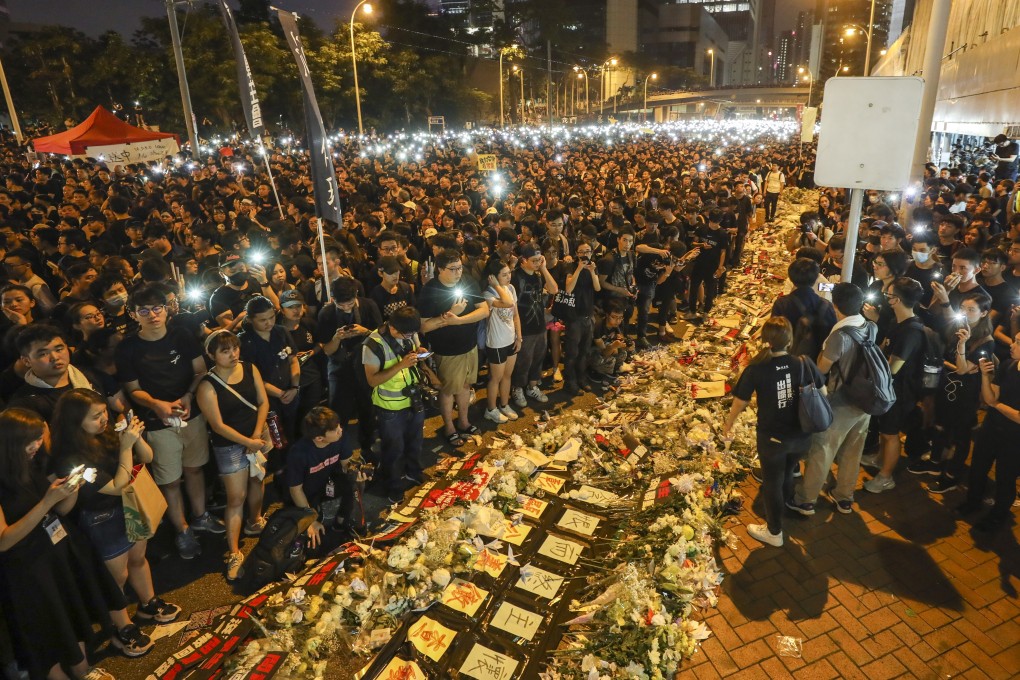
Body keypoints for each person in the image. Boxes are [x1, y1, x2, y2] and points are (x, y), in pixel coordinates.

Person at [0, 408, 148, 679]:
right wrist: (48, 500)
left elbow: (61, 511)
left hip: (56, 549)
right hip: (27, 566)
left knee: (71, 611)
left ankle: (83, 669)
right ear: (10, 443)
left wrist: (70, 491)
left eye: (38, 437)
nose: (36, 445)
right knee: (49, 623)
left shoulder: (30, 465)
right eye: (29, 441)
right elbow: (4, 540)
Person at [50, 389, 181, 629]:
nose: (104, 420)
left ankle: (148, 603)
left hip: (130, 504)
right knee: (116, 577)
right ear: (75, 422)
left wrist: (136, 437)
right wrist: (125, 447)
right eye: (95, 416)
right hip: (101, 516)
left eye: (104, 413)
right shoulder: (69, 457)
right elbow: (117, 486)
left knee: (139, 559)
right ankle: (121, 627)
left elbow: (148, 458)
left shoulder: (106, 433)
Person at [115, 284, 223, 560]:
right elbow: (133, 388)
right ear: (132, 314)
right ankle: (182, 530)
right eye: (144, 310)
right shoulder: (128, 348)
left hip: (191, 414)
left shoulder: (182, 336)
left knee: (195, 469)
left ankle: (200, 516)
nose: (152, 315)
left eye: (157, 308)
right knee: (170, 481)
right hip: (157, 422)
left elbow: (200, 370)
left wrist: (188, 396)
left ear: (167, 309)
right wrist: (157, 405)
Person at [724, 317, 825, 547]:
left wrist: (728, 423)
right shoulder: (803, 362)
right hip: (801, 437)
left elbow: (740, 401)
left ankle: (774, 531)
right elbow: (823, 392)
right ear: (789, 340)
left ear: (765, 341)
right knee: (789, 470)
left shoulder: (757, 368)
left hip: (773, 439)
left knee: (772, 482)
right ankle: (788, 501)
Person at [791, 283, 876, 515]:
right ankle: (844, 497)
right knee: (853, 450)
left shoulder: (839, 335)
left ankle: (806, 500)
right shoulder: (870, 326)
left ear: (835, 306)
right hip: (866, 400)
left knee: (823, 449)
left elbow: (821, 369)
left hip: (842, 401)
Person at [195, 330, 270, 581]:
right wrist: (248, 442)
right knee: (236, 497)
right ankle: (234, 551)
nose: (233, 354)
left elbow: (263, 402)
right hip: (230, 445)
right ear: (211, 355)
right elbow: (217, 425)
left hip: (256, 437)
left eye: (235, 348)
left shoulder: (250, 368)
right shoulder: (207, 385)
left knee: (258, 480)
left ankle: (255, 520)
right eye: (225, 351)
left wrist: (257, 436)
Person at [915, 292, 996, 493]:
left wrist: (960, 347)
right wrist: (954, 363)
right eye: (962, 308)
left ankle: (952, 475)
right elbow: (952, 363)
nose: (965, 313)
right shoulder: (957, 328)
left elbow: (961, 368)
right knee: (940, 425)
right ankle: (934, 464)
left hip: (966, 395)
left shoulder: (985, 341)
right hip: (947, 387)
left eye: (971, 310)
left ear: (984, 313)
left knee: (961, 435)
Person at [417, 249, 490, 447]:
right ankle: (449, 427)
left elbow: (484, 310)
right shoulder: (430, 290)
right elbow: (424, 326)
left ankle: (464, 421)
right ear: (440, 269)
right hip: (446, 350)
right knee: (448, 390)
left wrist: (458, 320)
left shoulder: (467, 281)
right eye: (453, 269)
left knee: (466, 385)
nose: (458, 272)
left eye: (460, 267)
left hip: (470, 344)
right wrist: (449, 315)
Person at [865, 277, 928, 493]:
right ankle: (880, 458)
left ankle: (885, 476)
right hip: (889, 389)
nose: (886, 298)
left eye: (889, 295)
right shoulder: (896, 322)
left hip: (900, 392)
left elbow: (893, 367)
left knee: (891, 434)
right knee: (884, 430)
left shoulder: (911, 331)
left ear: (896, 300)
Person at [363, 307, 432, 501]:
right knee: (394, 449)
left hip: (413, 399)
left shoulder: (409, 332)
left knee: (415, 441)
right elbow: (373, 380)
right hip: (390, 407)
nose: (409, 337)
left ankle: (413, 472)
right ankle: (393, 487)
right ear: (392, 327)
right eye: (406, 334)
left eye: (413, 334)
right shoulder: (373, 344)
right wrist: (401, 364)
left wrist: (419, 353)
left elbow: (412, 352)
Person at [958, 344, 1020, 530]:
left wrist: (997, 405)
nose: (1012, 344)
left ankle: (998, 515)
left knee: (1005, 477)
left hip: (1014, 437)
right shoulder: (1008, 365)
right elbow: (989, 398)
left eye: (1018, 342)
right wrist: (985, 376)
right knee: (978, 466)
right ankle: (973, 502)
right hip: (992, 427)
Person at [287, 407, 358, 548]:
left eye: (339, 426)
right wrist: (310, 520)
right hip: (307, 493)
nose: (340, 430)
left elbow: (346, 465)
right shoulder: (299, 453)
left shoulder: (340, 437)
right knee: (314, 539)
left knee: (354, 483)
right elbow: (296, 490)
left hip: (327, 482)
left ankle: (341, 522)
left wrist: (356, 471)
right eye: (336, 429)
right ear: (319, 438)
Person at [510, 244, 557, 409]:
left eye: (539, 259)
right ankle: (518, 388)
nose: (538, 263)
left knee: (538, 358)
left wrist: (544, 269)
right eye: (534, 260)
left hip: (539, 325)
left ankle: (532, 386)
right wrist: (517, 332)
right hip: (524, 327)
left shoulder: (538, 275)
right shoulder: (515, 277)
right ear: (523, 261)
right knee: (523, 361)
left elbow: (554, 289)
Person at [480, 257, 522, 423]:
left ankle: (504, 404)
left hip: (510, 339)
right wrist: (497, 285)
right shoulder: (488, 293)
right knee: (495, 378)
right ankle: (490, 409)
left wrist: (519, 337)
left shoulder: (510, 288)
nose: (509, 277)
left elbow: (515, 314)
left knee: (507, 376)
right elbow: (507, 303)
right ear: (493, 277)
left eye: (509, 273)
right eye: (504, 274)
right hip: (496, 342)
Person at [560, 240, 601, 396]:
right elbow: (569, 288)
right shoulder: (570, 267)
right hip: (574, 317)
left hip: (588, 315)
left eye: (588, 251)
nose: (585, 255)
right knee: (572, 352)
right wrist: (578, 268)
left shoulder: (593, 267)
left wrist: (591, 271)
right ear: (576, 253)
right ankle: (569, 381)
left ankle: (581, 378)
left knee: (584, 350)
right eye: (582, 252)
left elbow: (597, 288)